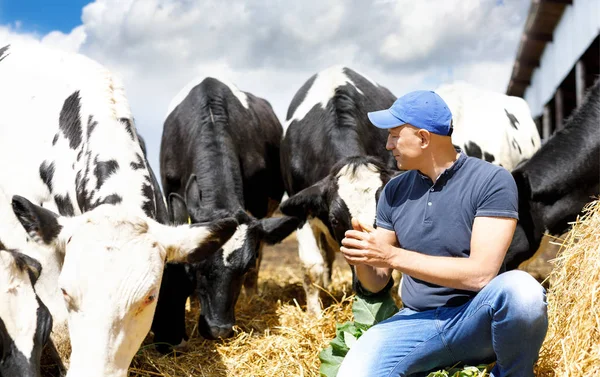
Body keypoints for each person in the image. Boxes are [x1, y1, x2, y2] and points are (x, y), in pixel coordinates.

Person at [337, 90, 548, 377]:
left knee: (523, 292)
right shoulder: (393, 191)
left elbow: (480, 274)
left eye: (396, 135)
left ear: (424, 138)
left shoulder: (492, 180)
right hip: (415, 321)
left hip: (475, 318)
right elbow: (376, 282)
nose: (388, 145)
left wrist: (391, 254)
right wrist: (363, 256)